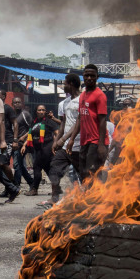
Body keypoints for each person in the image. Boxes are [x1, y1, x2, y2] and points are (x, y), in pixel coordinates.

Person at [67, 64, 109, 183]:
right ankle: (88, 199)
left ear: (97, 77)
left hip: (96, 142)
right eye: (87, 75)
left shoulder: (100, 95)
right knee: (84, 173)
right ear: (83, 77)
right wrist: (71, 139)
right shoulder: (83, 96)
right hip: (84, 141)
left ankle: (95, 200)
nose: (89, 78)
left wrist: (101, 145)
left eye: (92, 75)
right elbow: (80, 118)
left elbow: (102, 120)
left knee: (92, 173)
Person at [48, 73, 82, 203]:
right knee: (54, 168)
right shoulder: (64, 103)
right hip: (65, 144)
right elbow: (63, 122)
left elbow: (79, 122)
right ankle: (54, 196)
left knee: (83, 174)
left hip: (79, 144)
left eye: (65, 83)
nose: (63, 86)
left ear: (71, 84)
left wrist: (64, 139)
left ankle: (89, 200)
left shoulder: (82, 100)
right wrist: (57, 140)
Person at [24, 104, 58, 196]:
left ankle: (34, 189)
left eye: (43, 110)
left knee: (37, 167)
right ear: (36, 111)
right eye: (39, 110)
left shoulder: (48, 121)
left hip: (46, 147)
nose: (42, 112)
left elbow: (57, 132)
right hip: (37, 147)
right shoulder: (34, 121)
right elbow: (30, 133)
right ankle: (57, 188)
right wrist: (24, 143)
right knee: (47, 168)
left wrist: (55, 144)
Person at [0, 90, 16, 198]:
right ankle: (9, 188)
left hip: (7, 140)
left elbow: (15, 123)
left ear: (4, 96)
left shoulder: (7, 108)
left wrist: (15, 140)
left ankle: (13, 185)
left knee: (3, 163)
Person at [12, 97, 34, 188]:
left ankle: (16, 185)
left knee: (16, 163)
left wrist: (23, 137)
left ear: (22, 104)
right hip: (15, 143)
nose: (17, 104)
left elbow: (32, 128)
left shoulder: (25, 114)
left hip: (24, 143)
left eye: (19, 102)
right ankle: (31, 182)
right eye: (15, 102)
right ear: (12, 104)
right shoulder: (12, 115)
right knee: (20, 164)